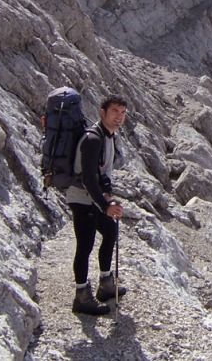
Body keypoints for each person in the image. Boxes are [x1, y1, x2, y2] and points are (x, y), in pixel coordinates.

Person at [66, 94, 129, 315]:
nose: (118, 117)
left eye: (122, 113)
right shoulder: (94, 139)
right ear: (102, 113)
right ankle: (81, 296)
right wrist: (105, 206)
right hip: (82, 199)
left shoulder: (108, 137)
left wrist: (108, 199)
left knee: (110, 231)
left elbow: (102, 175)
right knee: (85, 244)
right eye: (114, 112)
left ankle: (105, 284)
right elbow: (88, 178)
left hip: (94, 198)